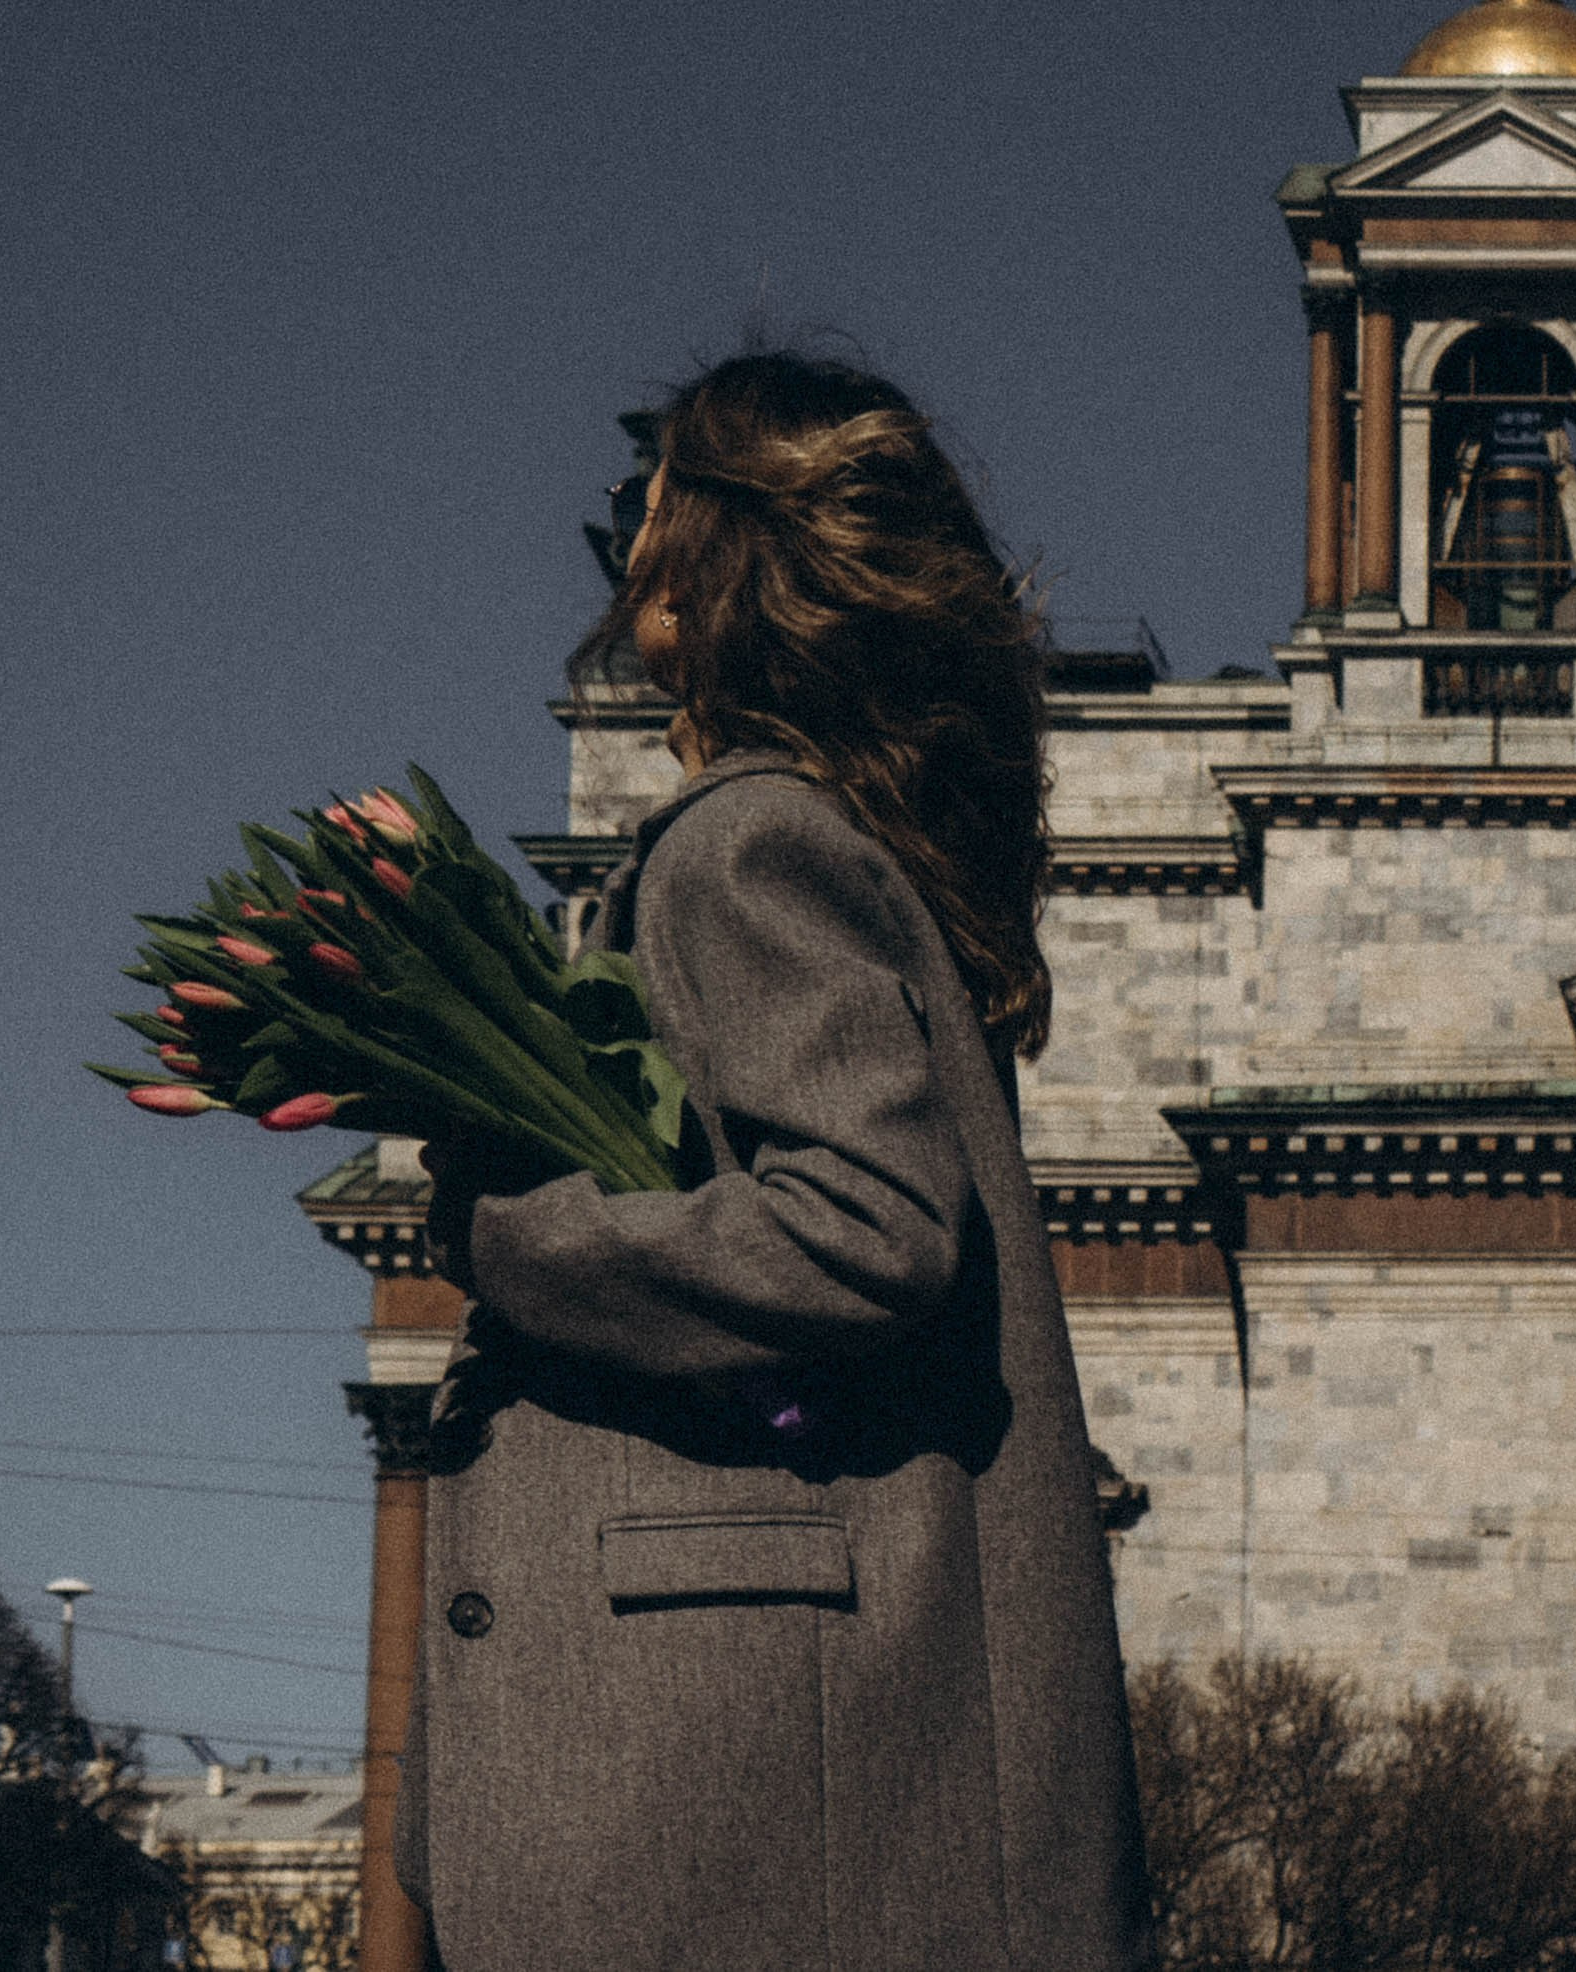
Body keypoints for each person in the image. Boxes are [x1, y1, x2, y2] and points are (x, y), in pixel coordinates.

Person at [396, 351, 1152, 1972]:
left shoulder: (744, 841)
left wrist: (513, 1232)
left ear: (722, 553)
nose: (623, 551)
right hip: (778, 1765)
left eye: (644, 504)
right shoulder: (847, 841)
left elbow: (866, 1229)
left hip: (731, 1779)